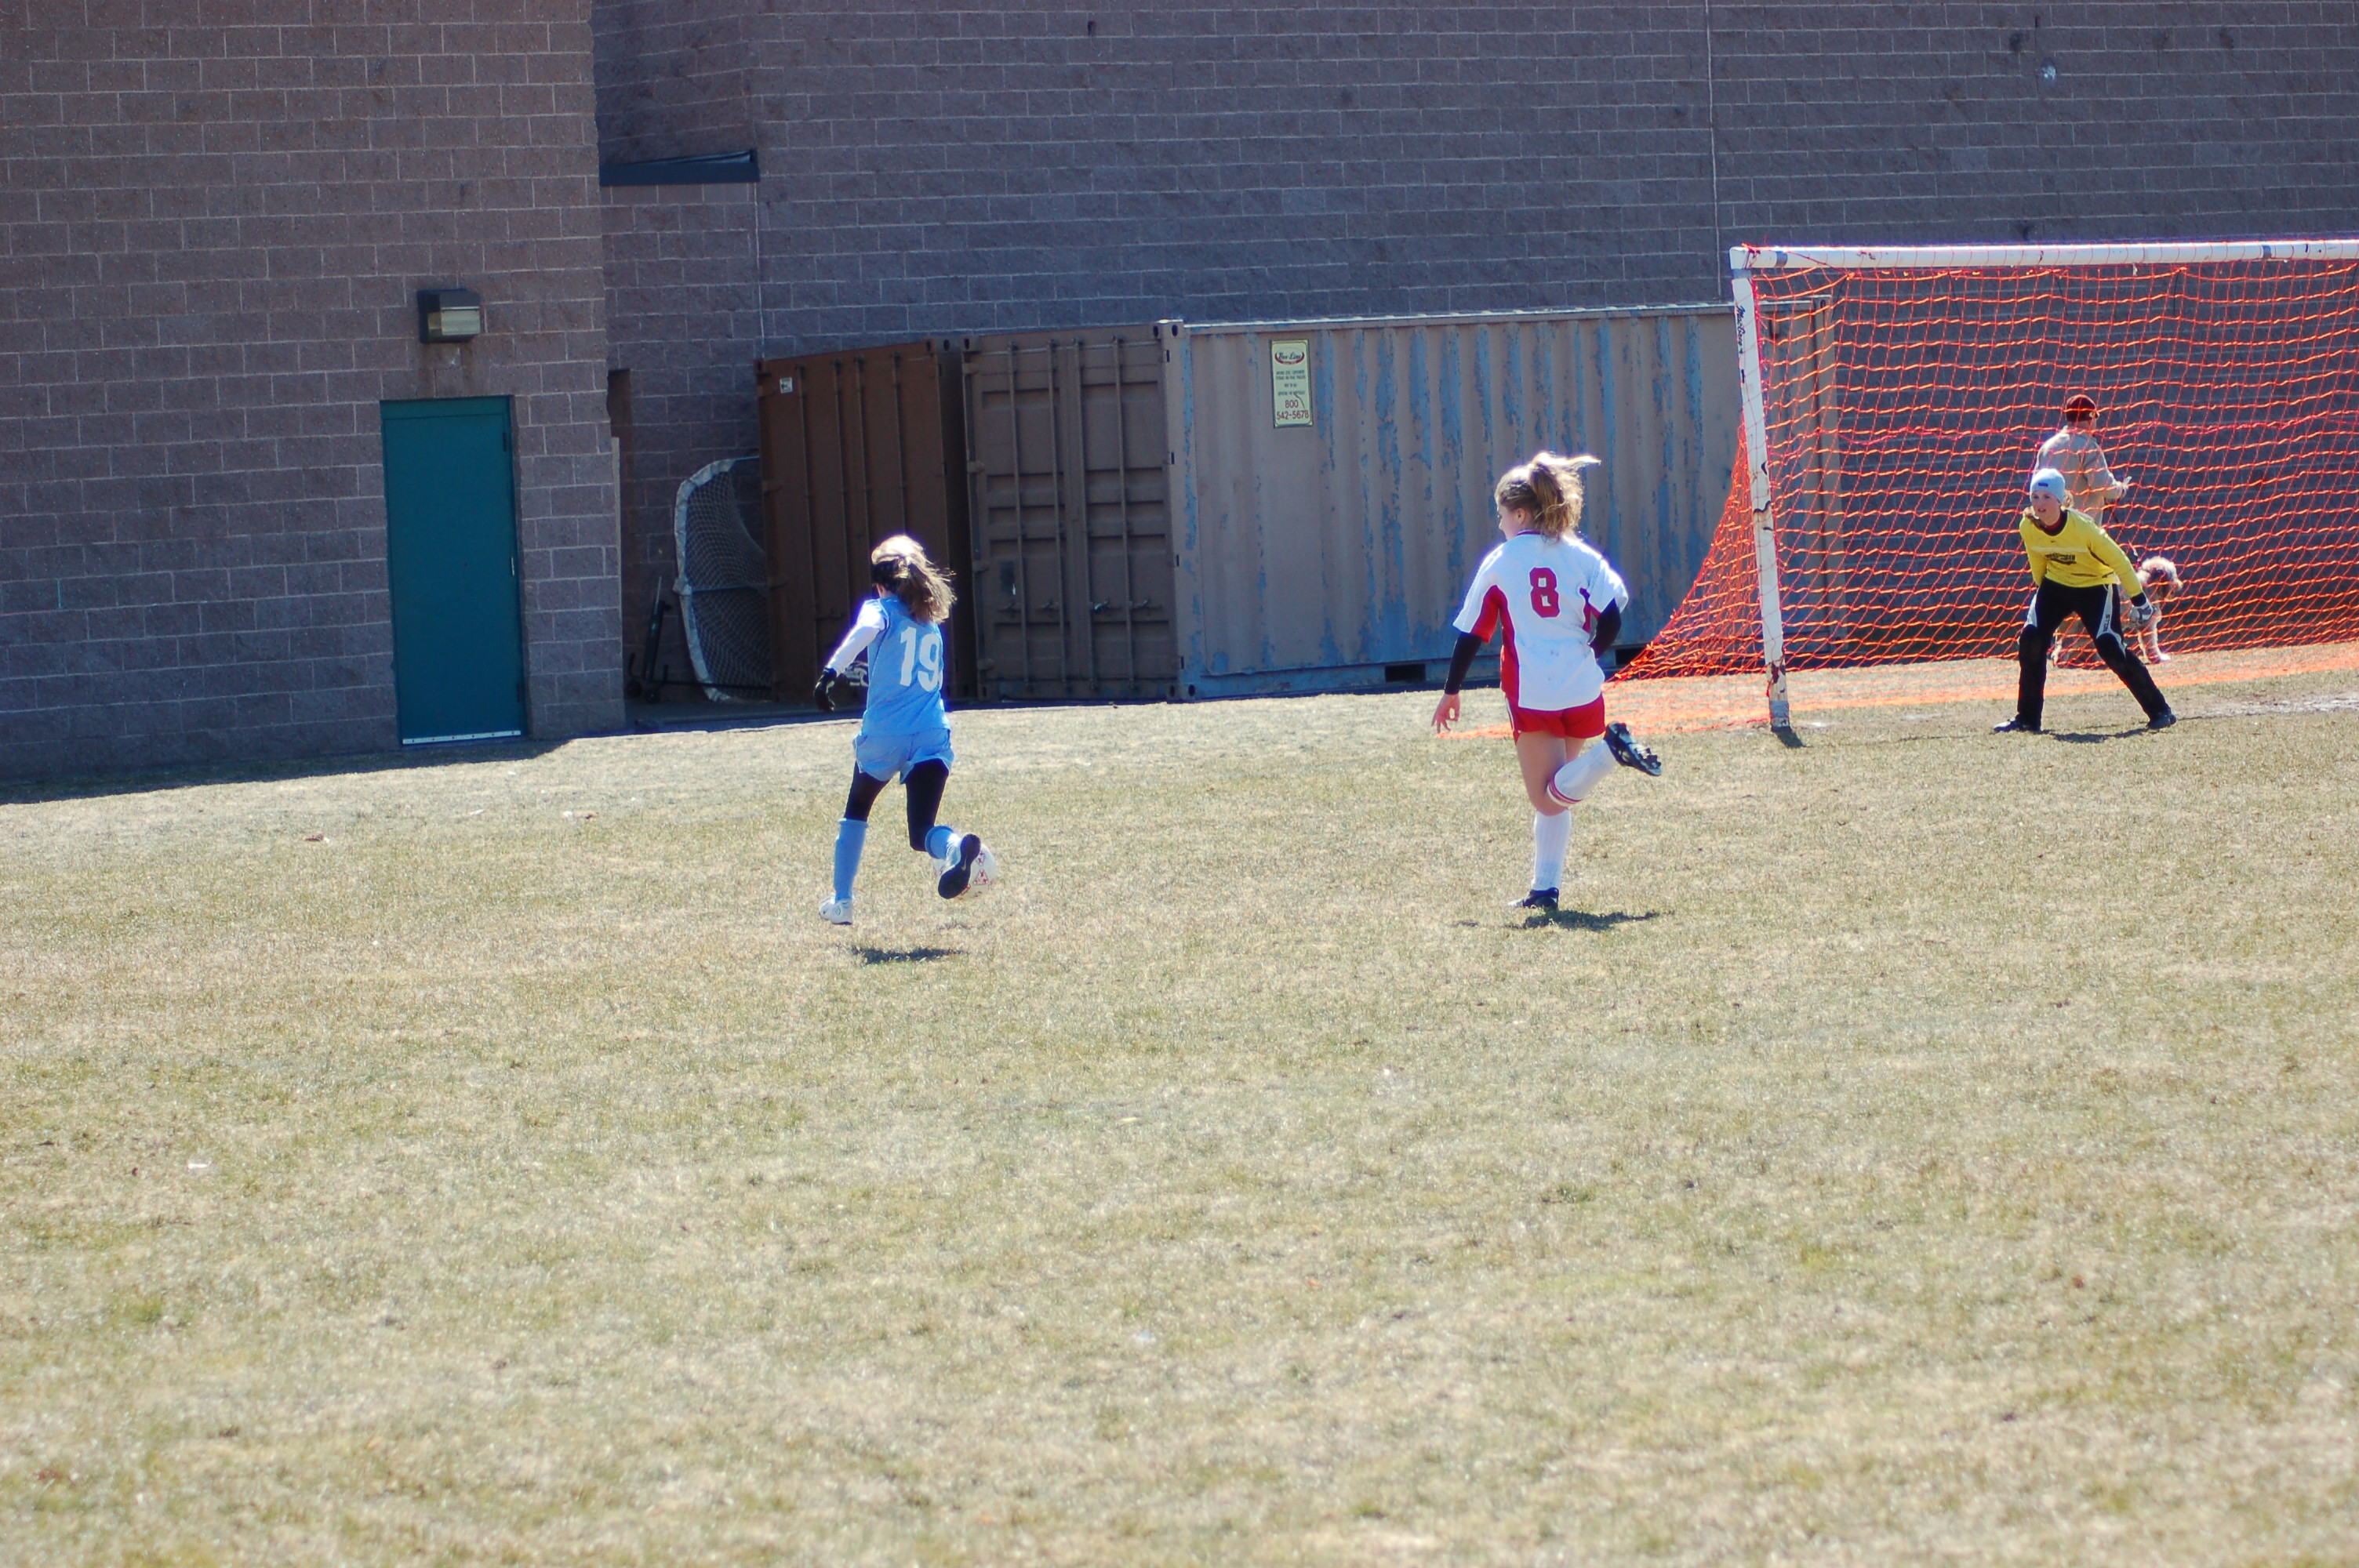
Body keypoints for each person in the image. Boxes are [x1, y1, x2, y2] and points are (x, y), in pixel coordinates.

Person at [1431, 451, 1661, 912]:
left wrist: (1451, 690)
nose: (1499, 523)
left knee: (1546, 798)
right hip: (1581, 685)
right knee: (1561, 788)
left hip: (1533, 689)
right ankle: (1545, 889)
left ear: (1521, 514)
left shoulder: (1502, 560)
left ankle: (1610, 753)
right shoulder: (1582, 554)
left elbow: (1471, 633)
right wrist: (1590, 654)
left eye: (1501, 514)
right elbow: (1612, 619)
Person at [812, 535, 994, 924]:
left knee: (857, 809)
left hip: (885, 734)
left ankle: (842, 902)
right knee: (922, 830)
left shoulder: (880, 609)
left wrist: (831, 673)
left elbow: (863, 632)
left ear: (881, 585)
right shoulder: (930, 621)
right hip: (931, 732)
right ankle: (955, 847)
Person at [1994, 469, 2175, 735]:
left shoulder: (2084, 528)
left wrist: (2140, 601)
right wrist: (2042, 596)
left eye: (2046, 496)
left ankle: (2160, 711)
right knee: (2031, 640)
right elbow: (2037, 562)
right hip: (2056, 585)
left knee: (2110, 646)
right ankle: (2027, 719)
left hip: (2096, 587)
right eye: (2035, 496)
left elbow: (2120, 562)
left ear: (2060, 500)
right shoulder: (2028, 525)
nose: (2040, 503)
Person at [2037, 394, 2131, 670]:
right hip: (2085, 532)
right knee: (2099, 590)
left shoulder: (2048, 447)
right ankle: (2094, 651)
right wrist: (2120, 489)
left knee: (2063, 590)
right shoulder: (2088, 446)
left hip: (2053, 532)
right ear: (2090, 418)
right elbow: (2103, 485)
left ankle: (2064, 651)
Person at [2133, 555, 2183, 662]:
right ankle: (2154, 654)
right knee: (2148, 624)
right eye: (2172, 579)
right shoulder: (2148, 592)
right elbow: (2147, 629)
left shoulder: (2139, 581)